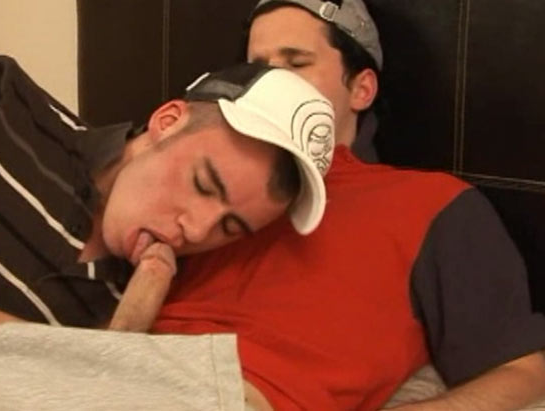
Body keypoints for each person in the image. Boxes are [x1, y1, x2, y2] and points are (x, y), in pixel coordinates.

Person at [0, 56, 336, 381]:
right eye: (203, 184)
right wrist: (11, 338)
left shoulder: (151, 294)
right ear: (168, 121)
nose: (197, 230)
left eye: (230, 228)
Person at [150, 0, 545, 410]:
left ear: (361, 89)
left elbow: (523, 371)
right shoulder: (212, 181)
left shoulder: (432, 204)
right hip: (131, 368)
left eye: (296, 63)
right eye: (257, 68)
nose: (269, 84)